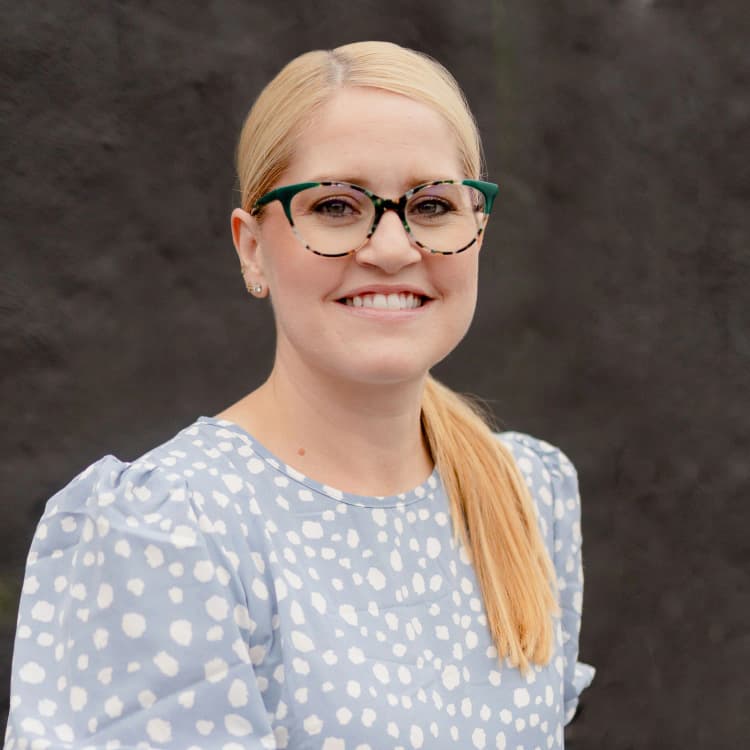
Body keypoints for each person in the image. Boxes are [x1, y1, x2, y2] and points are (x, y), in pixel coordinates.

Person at [4, 41, 594, 750]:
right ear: (252, 248)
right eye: (337, 206)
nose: (391, 247)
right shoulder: (174, 529)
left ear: (477, 232)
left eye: (432, 204)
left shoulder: (528, 493)